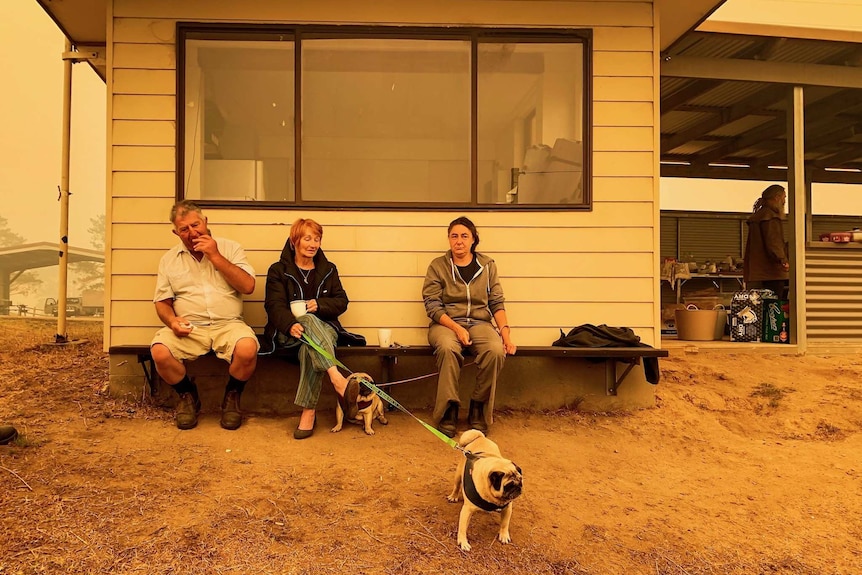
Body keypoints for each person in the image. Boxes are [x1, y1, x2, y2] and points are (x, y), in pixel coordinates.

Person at [150, 200, 259, 431]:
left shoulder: (230, 248)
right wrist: (172, 321)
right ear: (175, 232)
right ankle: (188, 396)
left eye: (196, 225)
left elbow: (248, 286)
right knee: (159, 351)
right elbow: (162, 302)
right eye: (184, 229)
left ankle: (232, 398)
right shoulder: (169, 260)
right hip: (190, 327)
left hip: (228, 324)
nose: (192, 232)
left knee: (248, 348)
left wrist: (215, 255)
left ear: (205, 222)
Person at [262, 218, 359, 440]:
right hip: (289, 333)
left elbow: (342, 301)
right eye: (307, 238)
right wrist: (289, 323)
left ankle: (308, 412)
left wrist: (320, 305)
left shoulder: (328, 269)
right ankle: (337, 379)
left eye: (317, 239)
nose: (313, 244)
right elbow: (273, 305)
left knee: (310, 343)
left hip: (325, 331)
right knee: (305, 322)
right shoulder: (278, 270)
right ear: (294, 241)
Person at [422, 216, 517, 438]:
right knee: (447, 347)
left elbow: (496, 302)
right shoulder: (438, 266)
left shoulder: (487, 266)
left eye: (465, 236)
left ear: (473, 239)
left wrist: (505, 334)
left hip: (480, 322)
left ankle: (478, 407)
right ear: (448, 239)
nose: (459, 241)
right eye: (454, 236)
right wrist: (456, 328)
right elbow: (432, 305)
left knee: (494, 350)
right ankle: (449, 410)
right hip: (444, 322)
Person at [743, 184, 790, 299]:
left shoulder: (759, 216)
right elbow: (774, 243)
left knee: (758, 308)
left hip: (756, 273)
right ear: (777, 197)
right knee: (774, 307)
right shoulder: (770, 217)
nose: (784, 201)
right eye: (784, 197)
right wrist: (783, 261)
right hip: (771, 274)